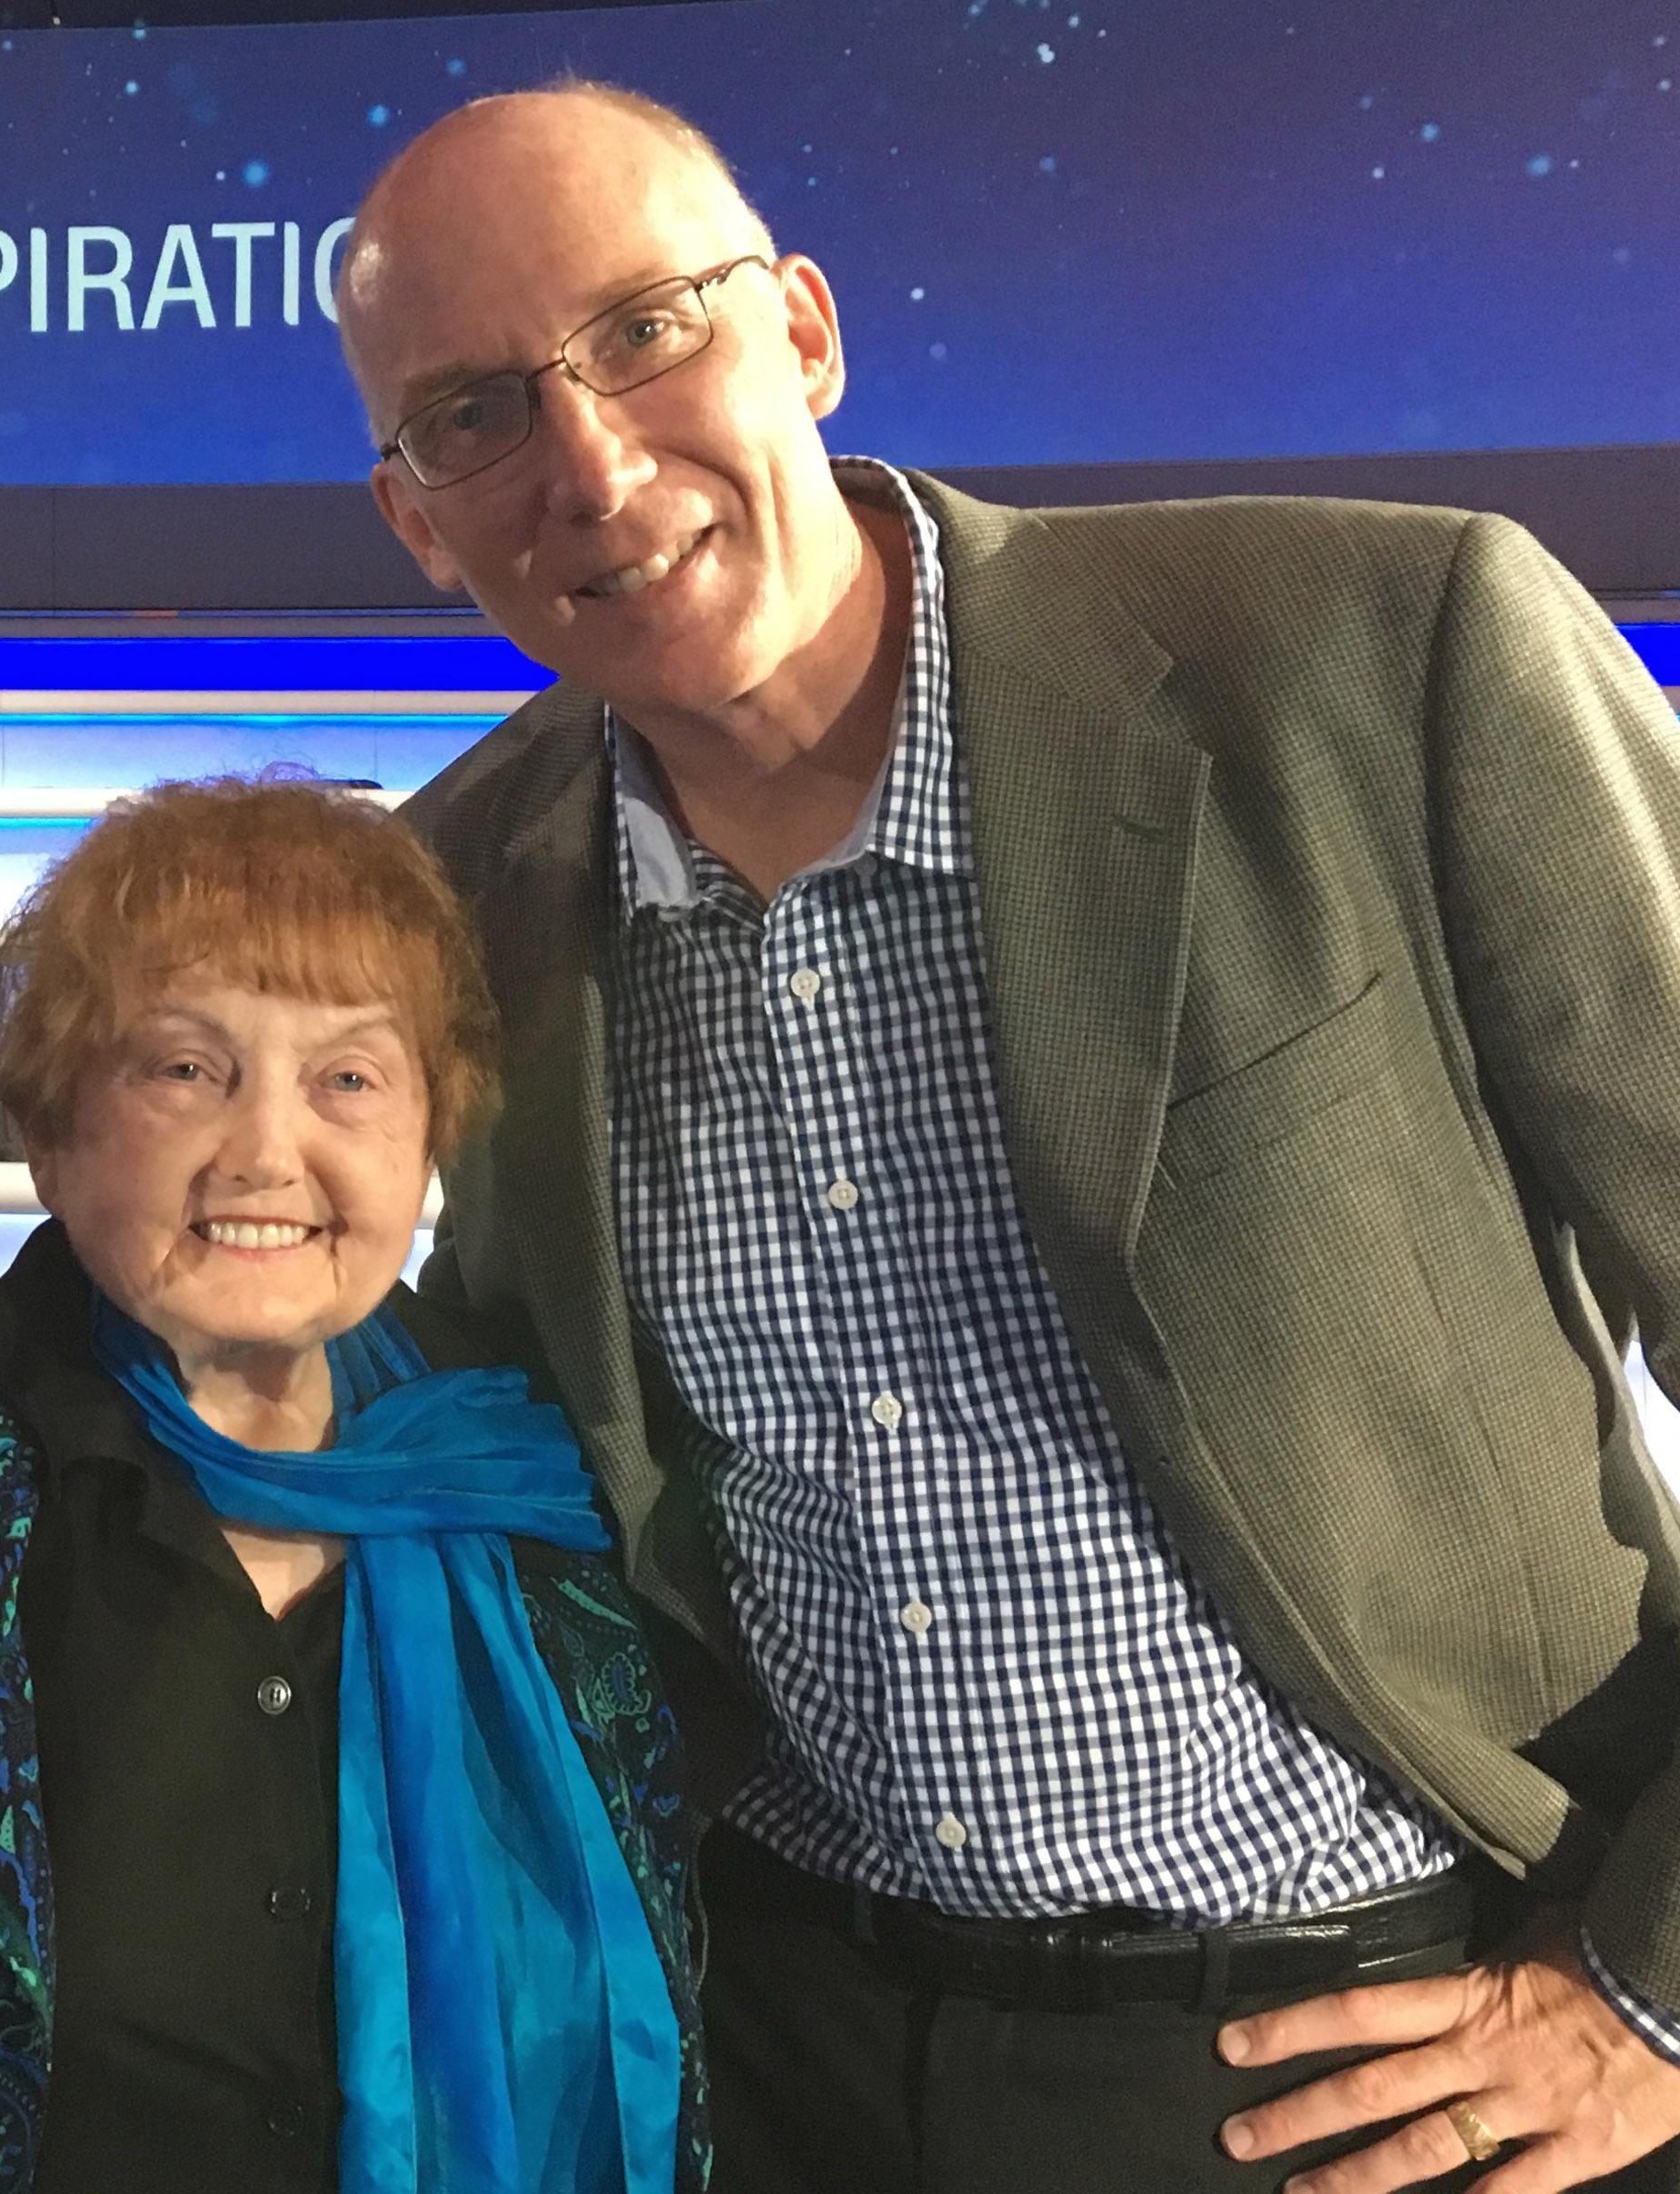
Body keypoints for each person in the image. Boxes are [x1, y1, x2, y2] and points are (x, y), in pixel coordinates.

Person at [336, 80, 1680, 2194]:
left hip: (1427, 2051)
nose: (590, 462)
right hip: (799, 2062)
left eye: (648, 332)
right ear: (417, 515)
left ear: (803, 327)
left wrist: (1653, 1990)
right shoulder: (458, 897)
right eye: (478, 414)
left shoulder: (1379, 661)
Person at [0, 775, 706, 2194]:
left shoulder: (544, 1496)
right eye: (184, 1069)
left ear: (429, 1128)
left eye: (348, 1077)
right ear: (51, 1123)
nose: (270, 1151)